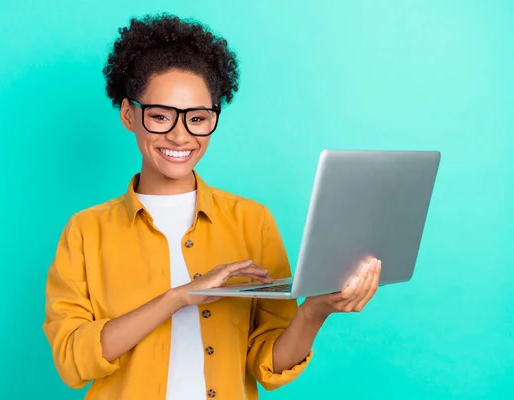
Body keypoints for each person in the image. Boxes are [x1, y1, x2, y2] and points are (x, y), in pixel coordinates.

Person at [42, 13, 381, 400]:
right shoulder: (86, 231)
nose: (180, 134)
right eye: (160, 116)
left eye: (198, 118)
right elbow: (72, 362)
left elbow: (267, 366)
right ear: (127, 114)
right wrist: (178, 297)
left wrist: (314, 311)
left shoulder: (252, 222)